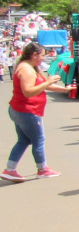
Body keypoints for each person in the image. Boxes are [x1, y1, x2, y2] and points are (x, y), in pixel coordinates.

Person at [2, 42, 68, 182]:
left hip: (21, 109)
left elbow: (41, 86)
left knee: (24, 140)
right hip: (26, 110)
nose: (44, 58)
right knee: (38, 139)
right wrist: (48, 82)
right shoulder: (26, 70)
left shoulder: (29, 67)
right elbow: (28, 92)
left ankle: (10, 169)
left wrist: (64, 89)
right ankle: (42, 169)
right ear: (34, 55)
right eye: (43, 55)